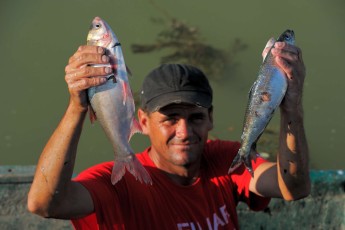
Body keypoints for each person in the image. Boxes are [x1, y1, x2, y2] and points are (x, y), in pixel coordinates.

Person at [27, 39, 310, 229]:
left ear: (211, 118)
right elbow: (44, 203)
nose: (184, 132)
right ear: (143, 122)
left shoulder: (224, 159)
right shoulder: (119, 181)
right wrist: (78, 106)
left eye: (195, 117)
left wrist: (292, 109)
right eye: (170, 119)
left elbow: (293, 188)